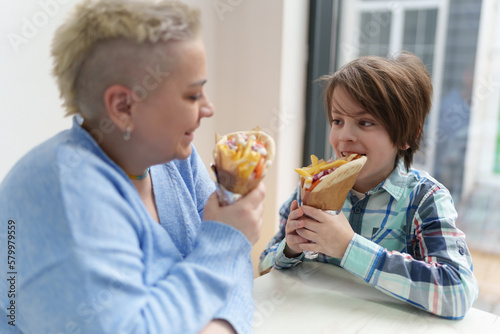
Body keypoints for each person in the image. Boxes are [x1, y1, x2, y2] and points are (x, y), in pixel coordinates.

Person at [0, 1, 265, 333]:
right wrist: (226, 240)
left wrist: (223, 324)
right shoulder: (63, 193)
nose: (209, 108)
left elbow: (233, 266)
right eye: (193, 95)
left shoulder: (170, 158)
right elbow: (226, 249)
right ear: (123, 106)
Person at [259, 53, 479, 319]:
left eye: (365, 123)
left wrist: (348, 246)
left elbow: (456, 292)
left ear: (408, 136)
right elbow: (265, 264)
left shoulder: (424, 199)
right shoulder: (312, 186)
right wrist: (291, 248)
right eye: (337, 121)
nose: (344, 137)